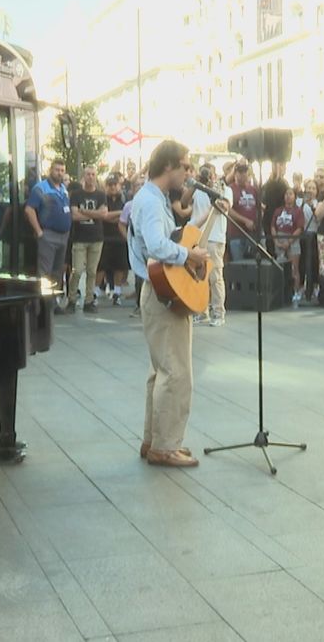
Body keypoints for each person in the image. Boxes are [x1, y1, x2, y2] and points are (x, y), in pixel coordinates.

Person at [127, 141, 208, 468]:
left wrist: (196, 227)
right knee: (176, 372)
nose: (188, 173)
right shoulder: (149, 201)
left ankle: (154, 440)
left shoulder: (152, 198)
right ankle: (165, 446)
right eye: (185, 166)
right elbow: (158, 246)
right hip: (163, 294)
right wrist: (190, 254)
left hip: (159, 290)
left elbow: (167, 236)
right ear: (169, 167)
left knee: (160, 370)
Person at [25, 158, 72, 314]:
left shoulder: (63, 188)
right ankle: (43, 306)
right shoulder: (41, 188)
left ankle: (53, 303)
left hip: (63, 236)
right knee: (45, 273)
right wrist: (39, 232)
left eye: (62, 170)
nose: (59, 173)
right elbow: (29, 210)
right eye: (57, 170)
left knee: (57, 272)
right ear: (50, 170)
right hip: (48, 236)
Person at [189, 164, 232, 326]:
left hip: (215, 237)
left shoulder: (224, 189)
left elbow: (225, 206)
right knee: (199, 276)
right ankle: (202, 311)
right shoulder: (198, 189)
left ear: (215, 175)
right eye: (203, 174)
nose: (207, 177)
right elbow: (185, 202)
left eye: (209, 174)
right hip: (198, 237)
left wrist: (215, 192)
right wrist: (196, 184)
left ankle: (218, 312)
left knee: (215, 276)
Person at [69, 165, 108, 313]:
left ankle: (89, 301)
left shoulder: (101, 195)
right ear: (83, 176)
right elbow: (74, 216)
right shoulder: (76, 195)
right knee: (77, 270)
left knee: (92, 272)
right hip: (79, 238)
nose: (90, 177)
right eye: (88, 174)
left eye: (93, 174)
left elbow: (104, 214)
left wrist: (84, 211)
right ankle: (71, 299)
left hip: (96, 238)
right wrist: (95, 213)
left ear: (96, 176)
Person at [99, 174, 129, 306]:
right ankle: (95, 292)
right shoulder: (102, 199)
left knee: (120, 267)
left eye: (115, 184)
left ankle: (117, 293)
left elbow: (126, 218)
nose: (112, 187)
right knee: (101, 266)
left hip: (120, 237)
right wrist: (120, 213)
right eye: (110, 185)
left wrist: (114, 215)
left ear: (119, 185)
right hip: (105, 237)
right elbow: (103, 216)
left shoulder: (125, 199)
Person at [272, 187, 305, 301]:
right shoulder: (278, 210)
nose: (288, 196)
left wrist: (289, 241)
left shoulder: (298, 211)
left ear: (294, 196)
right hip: (279, 238)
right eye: (286, 194)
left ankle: (295, 292)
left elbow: (300, 228)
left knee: (294, 268)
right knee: (279, 267)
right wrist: (276, 241)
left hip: (293, 239)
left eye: (290, 194)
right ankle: (280, 293)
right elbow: (273, 226)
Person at [227, 162, 259, 260]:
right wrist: (245, 220)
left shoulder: (253, 189)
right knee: (239, 266)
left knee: (252, 265)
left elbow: (259, 207)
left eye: (244, 172)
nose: (242, 175)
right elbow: (228, 210)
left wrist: (256, 221)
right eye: (240, 172)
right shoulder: (230, 189)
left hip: (251, 234)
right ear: (235, 174)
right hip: (236, 234)